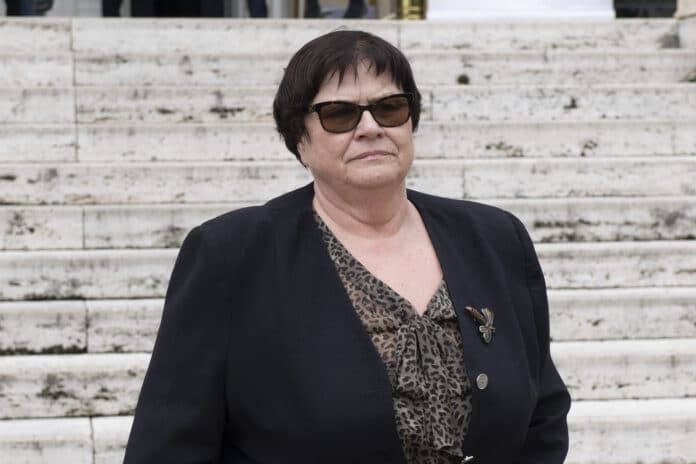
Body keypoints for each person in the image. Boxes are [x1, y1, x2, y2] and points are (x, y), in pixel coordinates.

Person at [124, 30, 571, 463]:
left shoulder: (495, 238)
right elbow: (168, 447)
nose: (370, 128)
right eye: (339, 114)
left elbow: (543, 417)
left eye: (390, 108)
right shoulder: (231, 255)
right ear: (299, 139)